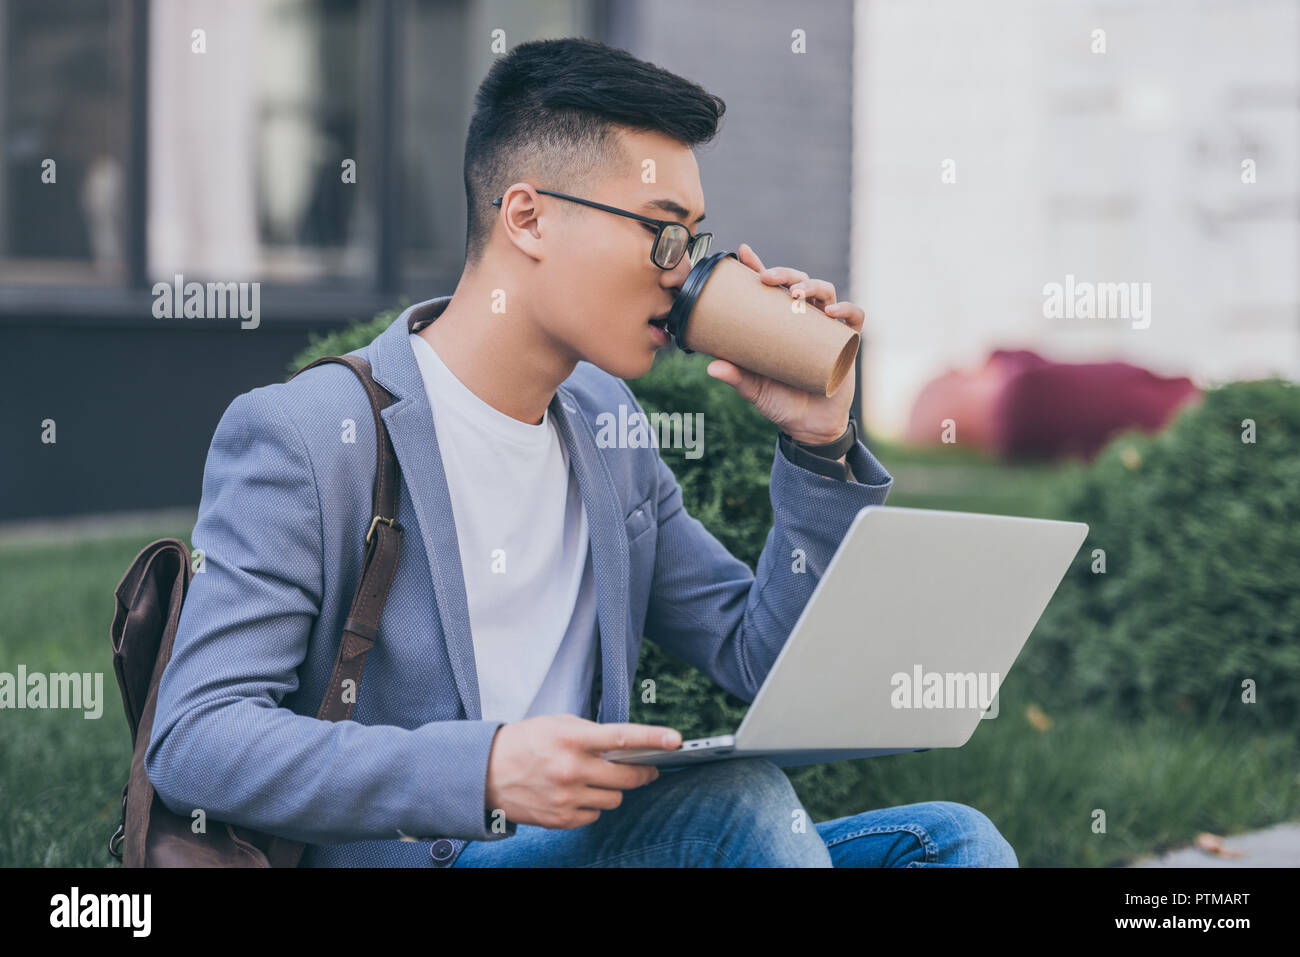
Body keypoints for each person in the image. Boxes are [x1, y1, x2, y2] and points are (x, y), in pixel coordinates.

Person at [146, 36, 1016, 868]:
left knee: (951, 840)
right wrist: (483, 769)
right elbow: (196, 735)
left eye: (693, 240)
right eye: (661, 231)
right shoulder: (310, 432)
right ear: (527, 217)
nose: (682, 274)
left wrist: (818, 442)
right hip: (425, 854)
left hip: (585, 845)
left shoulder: (605, 422)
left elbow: (758, 656)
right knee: (737, 803)